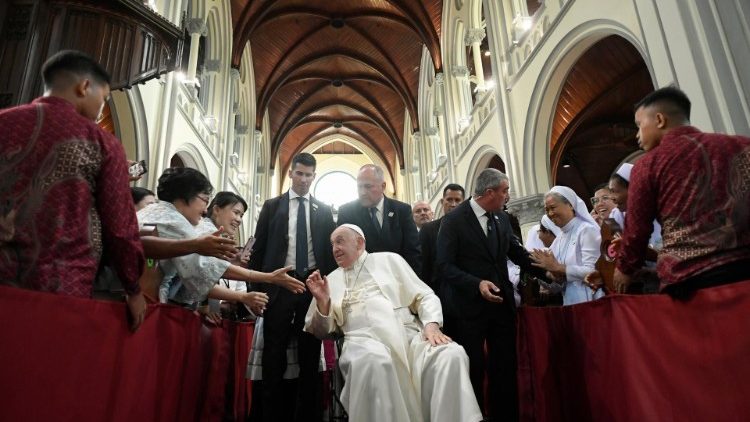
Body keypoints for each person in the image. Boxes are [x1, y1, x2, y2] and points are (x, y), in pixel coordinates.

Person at [0, 50, 146, 331]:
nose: (102, 110)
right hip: (58, 285)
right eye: (103, 100)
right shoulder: (102, 143)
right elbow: (120, 226)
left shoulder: (5, 120)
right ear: (84, 87)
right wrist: (133, 287)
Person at [304, 224, 482, 422]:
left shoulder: (390, 260)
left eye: (340, 241)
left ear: (360, 243)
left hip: (409, 334)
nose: (334, 248)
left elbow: (425, 296)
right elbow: (321, 332)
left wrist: (431, 325)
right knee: (374, 363)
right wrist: (322, 301)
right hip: (364, 341)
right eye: (332, 244)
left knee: (451, 354)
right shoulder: (332, 280)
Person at [614, 86, 750, 296]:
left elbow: (637, 230)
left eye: (639, 126)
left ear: (659, 120)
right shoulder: (742, 145)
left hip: (691, 277)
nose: (637, 136)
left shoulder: (649, 164)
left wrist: (625, 269)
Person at [436, 169, 548, 421]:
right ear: (489, 193)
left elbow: (516, 253)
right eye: (505, 191)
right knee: (473, 368)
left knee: (505, 368)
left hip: (501, 307)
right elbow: (444, 266)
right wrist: (476, 284)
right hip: (470, 308)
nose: (507, 196)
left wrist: (550, 272)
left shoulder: (502, 219)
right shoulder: (454, 221)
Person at [137, 168, 304, 312]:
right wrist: (269, 278)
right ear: (184, 197)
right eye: (204, 200)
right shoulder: (176, 222)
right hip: (145, 301)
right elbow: (206, 269)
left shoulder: (154, 211)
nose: (204, 210)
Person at [249, 152, 336, 422]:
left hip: (310, 288)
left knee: (310, 355)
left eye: (309, 175)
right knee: (274, 354)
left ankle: (307, 415)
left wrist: (328, 291)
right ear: (291, 173)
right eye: (299, 173)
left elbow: (330, 254)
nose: (304, 179)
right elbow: (259, 250)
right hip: (279, 286)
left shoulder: (322, 210)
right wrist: (258, 290)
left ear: (314, 176)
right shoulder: (272, 206)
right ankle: (272, 414)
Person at [337, 164, 421, 274]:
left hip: (398, 278)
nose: (362, 192)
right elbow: (344, 252)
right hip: (362, 282)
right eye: (359, 186)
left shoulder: (402, 210)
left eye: (368, 186)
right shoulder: (347, 212)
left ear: (383, 186)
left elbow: (413, 251)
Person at [530, 186, 604, 305]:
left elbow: (594, 272)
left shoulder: (586, 230)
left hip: (591, 300)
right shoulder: (559, 240)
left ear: (570, 205)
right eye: (546, 210)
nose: (550, 213)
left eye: (553, 208)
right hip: (569, 302)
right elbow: (557, 286)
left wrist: (558, 268)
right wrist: (549, 273)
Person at [419, 183, 465, 335]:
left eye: (457, 200)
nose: (453, 204)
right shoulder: (428, 230)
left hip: (466, 296)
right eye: (449, 200)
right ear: (442, 202)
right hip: (439, 297)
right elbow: (424, 266)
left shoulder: (470, 228)